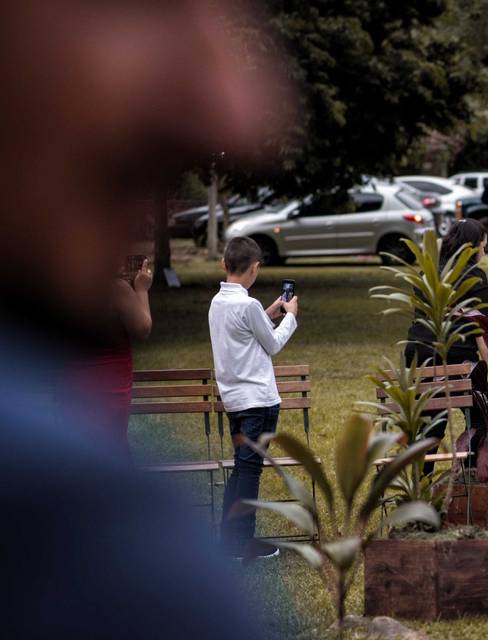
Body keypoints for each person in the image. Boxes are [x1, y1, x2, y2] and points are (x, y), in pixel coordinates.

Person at [1, 1, 284, 636]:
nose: (236, 109)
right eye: (151, 13)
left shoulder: (218, 303)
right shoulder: (91, 530)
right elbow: (171, 330)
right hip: (240, 397)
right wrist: (279, 319)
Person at [209, 236, 299, 559]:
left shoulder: (218, 303)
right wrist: (290, 316)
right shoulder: (247, 306)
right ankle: (243, 542)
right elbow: (272, 344)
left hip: (235, 401)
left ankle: (227, 540)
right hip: (258, 402)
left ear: (224, 264)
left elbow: (249, 330)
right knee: (250, 472)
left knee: (240, 470)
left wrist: (272, 309)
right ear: (255, 268)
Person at [405, 218, 488, 472]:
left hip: (417, 355)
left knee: (432, 421)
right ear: (471, 247)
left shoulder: (427, 272)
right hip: (456, 357)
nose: (484, 253)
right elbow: (482, 327)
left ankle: (421, 483)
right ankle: (471, 478)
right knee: (480, 418)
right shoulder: (474, 275)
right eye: (482, 247)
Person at [61, 256, 154, 458]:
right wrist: (141, 289)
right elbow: (143, 328)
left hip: (73, 380)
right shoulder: (115, 289)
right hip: (110, 382)